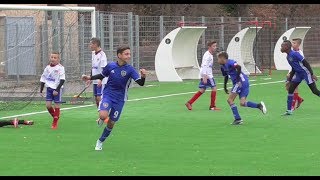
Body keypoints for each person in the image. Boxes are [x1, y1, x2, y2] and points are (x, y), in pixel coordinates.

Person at [82, 45, 147, 151]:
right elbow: (102, 75)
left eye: (129, 54)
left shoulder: (130, 69)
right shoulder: (111, 66)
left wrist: (143, 76)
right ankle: (102, 117)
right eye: (126, 54)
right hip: (108, 94)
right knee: (103, 115)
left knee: (111, 123)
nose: (129, 56)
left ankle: (100, 141)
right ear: (119, 55)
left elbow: (140, 83)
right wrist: (90, 77)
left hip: (120, 99)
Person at [217, 51, 267, 125]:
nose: (217, 60)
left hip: (240, 82)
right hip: (245, 82)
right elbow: (226, 76)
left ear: (222, 58)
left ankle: (238, 119)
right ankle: (259, 105)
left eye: (218, 58)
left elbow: (238, 67)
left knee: (230, 100)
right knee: (242, 103)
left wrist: (237, 80)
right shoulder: (223, 67)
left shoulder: (230, 62)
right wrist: (225, 87)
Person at [281, 40, 320, 115]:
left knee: (314, 91)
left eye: (282, 46)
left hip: (306, 73)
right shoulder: (288, 57)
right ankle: (289, 111)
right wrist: (289, 80)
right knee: (291, 89)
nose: (281, 48)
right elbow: (293, 68)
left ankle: (290, 110)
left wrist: (311, 74)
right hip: (299, 74)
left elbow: (306, 63)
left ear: (287, 47)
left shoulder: (295, 54)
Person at [185, 40, 221, 111]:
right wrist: (205, 76)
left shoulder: (209, 54)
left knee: (202, 90)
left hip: (205, 74)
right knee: (214, 88)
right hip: (207, 75)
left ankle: (189, 103)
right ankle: (212, 106)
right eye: (214, 46)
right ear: (209, 47)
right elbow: (204, 65)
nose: (215, 47)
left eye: (215, 46)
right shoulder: (208, 55)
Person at [86, 37, 109, 124]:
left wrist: (101, 79)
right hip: (95, 80)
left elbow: (105, 69)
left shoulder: (102, 55)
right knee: (96, 99)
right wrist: (90, 78)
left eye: (91, 44)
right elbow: (93, 67)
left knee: (100, 98)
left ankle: (105, 116)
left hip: (101, 80)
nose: (90, 45)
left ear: (96, 44)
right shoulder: (93, 54)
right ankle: (101, 116)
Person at [40, 51, 65, 129]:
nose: (53, 59)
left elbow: (62, 80)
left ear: (58, 59)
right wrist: (41, 90)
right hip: (49, 89)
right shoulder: (47, 68)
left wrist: (57, 90)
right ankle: (55, 116)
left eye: (55, 57)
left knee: (57, 105)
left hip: (57, 89)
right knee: (48, 106)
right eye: (52, 57)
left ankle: (55, 123)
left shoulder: (60, 68)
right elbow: (43, 79)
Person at [285, 38, 304, 110]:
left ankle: (292, 106)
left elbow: (300, 65)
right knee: (287, 87)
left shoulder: (300, 53)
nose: (292, 44)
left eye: (294, 43)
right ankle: (299, 99)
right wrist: (289, 72)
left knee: (294, 89)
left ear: (298, 45)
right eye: (292, 43)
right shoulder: (291, 52)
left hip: (297, 73)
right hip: (291, 72)